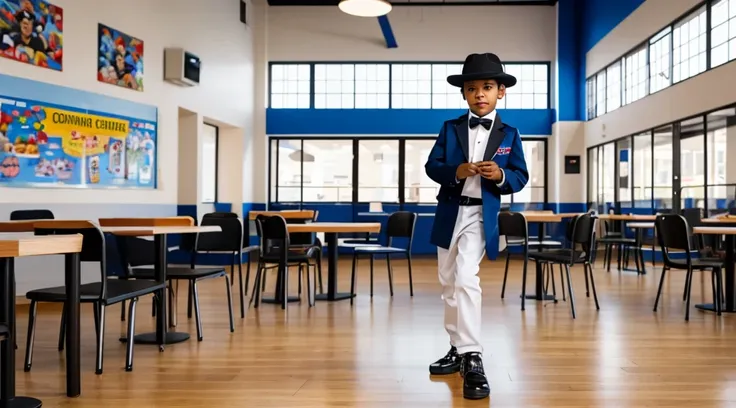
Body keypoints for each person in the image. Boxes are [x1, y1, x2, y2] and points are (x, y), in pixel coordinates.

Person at [424, 53, 529, 400]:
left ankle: (472, 355)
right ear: (464, 95)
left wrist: (500, 175)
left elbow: (520, 175)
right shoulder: (450, 128)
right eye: (472, 89)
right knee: (449, 284)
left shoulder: (510, 133)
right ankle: (457, 347)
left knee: (467, 278)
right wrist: (457, 171)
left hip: (479, 217)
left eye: (487, 87)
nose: (479, 94)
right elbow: (432, 166)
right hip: (449, 213)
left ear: (501, 92)